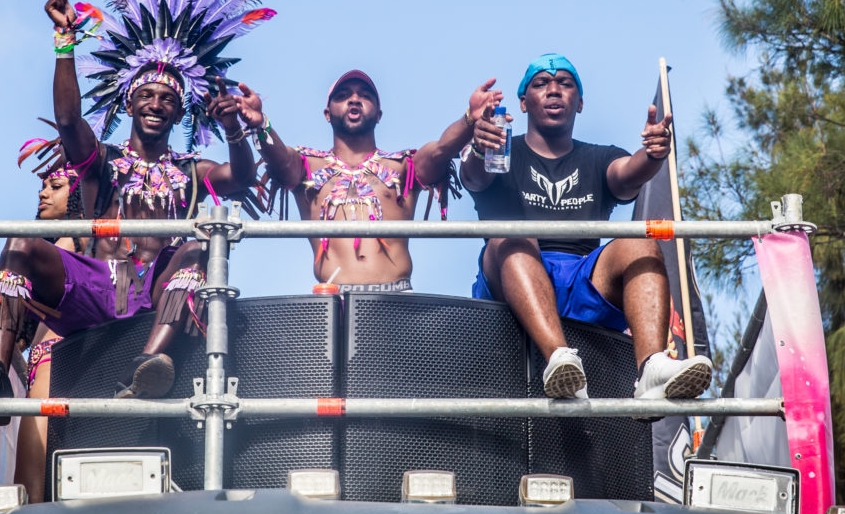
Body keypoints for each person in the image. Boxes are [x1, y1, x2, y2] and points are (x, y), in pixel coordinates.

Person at [0, 0, 313, 409]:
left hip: (157, 296)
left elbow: (241, 176)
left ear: (180, 112)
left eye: (168, 99)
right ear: (129, 101)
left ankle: (150, 365)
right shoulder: (101, 163)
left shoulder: (193, 170)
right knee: (20, 243)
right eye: (146, 95)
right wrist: (64, 42)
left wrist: (235, 125)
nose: (156, 104)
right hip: (93, 286)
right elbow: (68, 121)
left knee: (199, 246)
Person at [462, 53, 713, 400]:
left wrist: (653, 155)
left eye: (565, 84)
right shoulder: (499, 148)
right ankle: (559, 360)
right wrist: (478, 148)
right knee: (513, 234)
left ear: (579, 103)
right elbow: (474, 177)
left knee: (640, 240)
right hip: (512, 275)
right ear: (522, 102)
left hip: (582, 276)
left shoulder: (599, 156)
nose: (554, 91)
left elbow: (626, 176)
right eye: (541, 84)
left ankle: (652, 369)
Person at [240, 69, 501, 291]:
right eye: (343, 96)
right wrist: (261, 125)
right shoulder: (307, 165)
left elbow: (442, 150)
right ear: (327, 113)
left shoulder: (403, 165)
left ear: (378, 114)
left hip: (396, 301)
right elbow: (280, 162)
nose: (354, 100)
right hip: (332, 299)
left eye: (365, 96)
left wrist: (469, 118)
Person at [11, 137, 88, 503]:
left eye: (55, 187)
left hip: (57, 363)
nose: (44, 194)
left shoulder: (72, 240)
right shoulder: (57, 242)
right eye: (43, 186)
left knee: (31, 493)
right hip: (45, 363)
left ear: (77, 197)